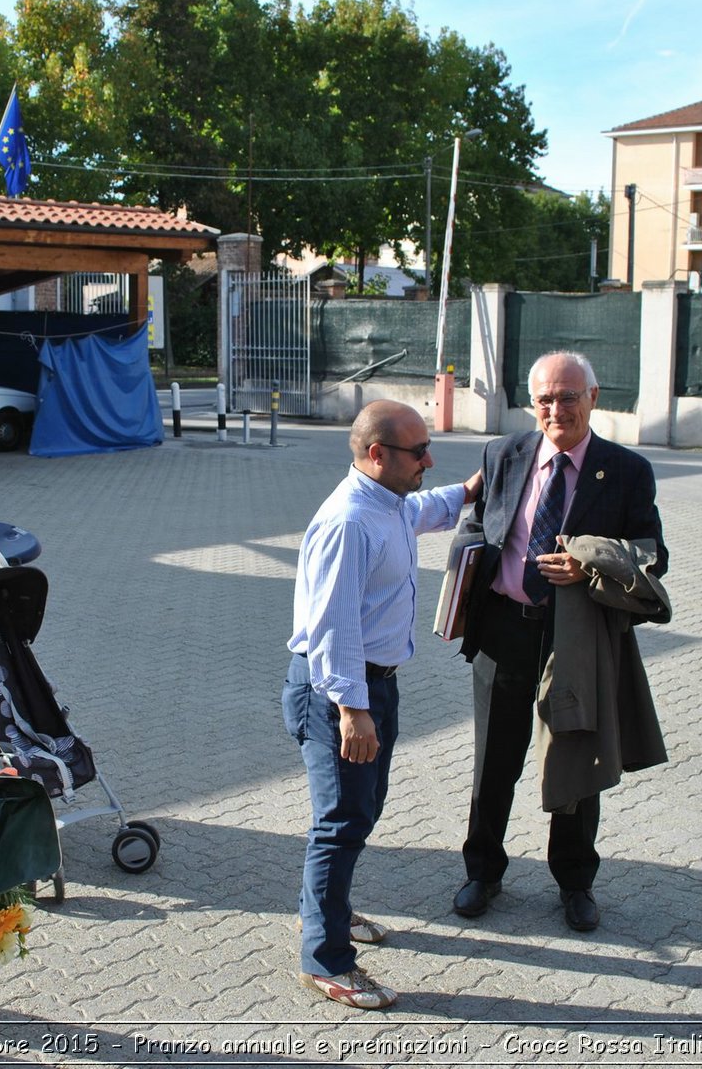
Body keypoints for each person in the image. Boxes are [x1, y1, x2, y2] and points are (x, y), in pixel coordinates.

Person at [450, 351, 668, 931]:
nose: (556, 409)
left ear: (593, 398)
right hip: (502, 632)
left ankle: (574, 881)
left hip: (575, 639)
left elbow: (653, 553)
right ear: (531, 403)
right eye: (545, 398)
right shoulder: (503, 453)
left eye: (568, 396)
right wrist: (463, 574)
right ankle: (483, 871)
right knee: (493, 761)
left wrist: (588, 569)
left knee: (575, 758)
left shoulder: (625, 470)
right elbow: (479, 524)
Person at [284, 400, 482, 1010]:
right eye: (418, 451)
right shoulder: (349, 522)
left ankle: (330, 913)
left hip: (375, 684)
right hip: (338, 692)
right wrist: (352, 709)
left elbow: (425, 509)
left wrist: (472, 488)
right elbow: (333, 625)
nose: (429, 459)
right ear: (377, 455)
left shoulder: (388, 504)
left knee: (361, 813)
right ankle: (326, 960)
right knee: (340, 823)